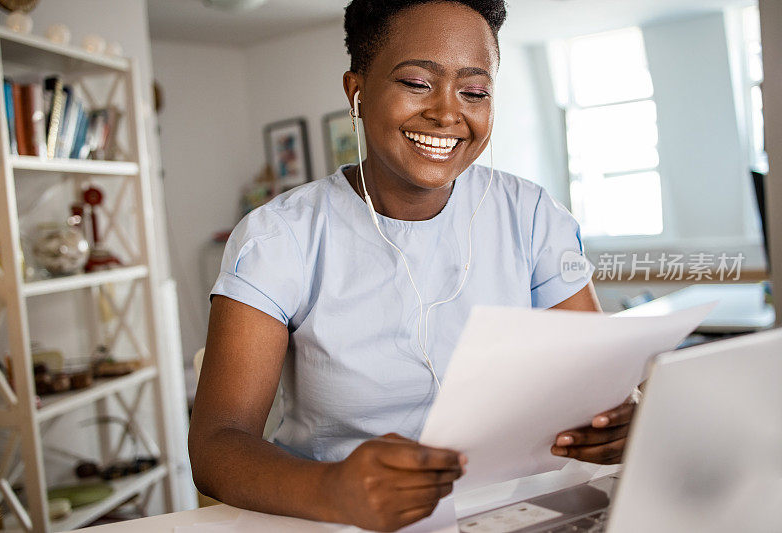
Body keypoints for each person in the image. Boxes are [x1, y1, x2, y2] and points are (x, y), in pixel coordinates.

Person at [189, 1, 635, 531]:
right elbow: (217, 444)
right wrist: (332, 489)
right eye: (418, 82)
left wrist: (620, 423)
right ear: (357, 93)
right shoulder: (281, 237)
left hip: (520, 509)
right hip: (343, 519)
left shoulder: (532, 215)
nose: (448, 113)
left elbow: (600, 384)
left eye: (474, 91)